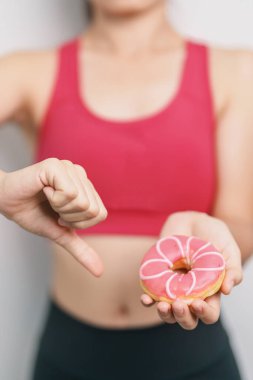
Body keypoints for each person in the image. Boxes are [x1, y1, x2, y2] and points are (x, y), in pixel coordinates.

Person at [0, 0, 253, 379]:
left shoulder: (237, 71)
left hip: (194, 358)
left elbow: (240, 220)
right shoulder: (26, 71)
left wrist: (216, 248)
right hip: (68, 356)